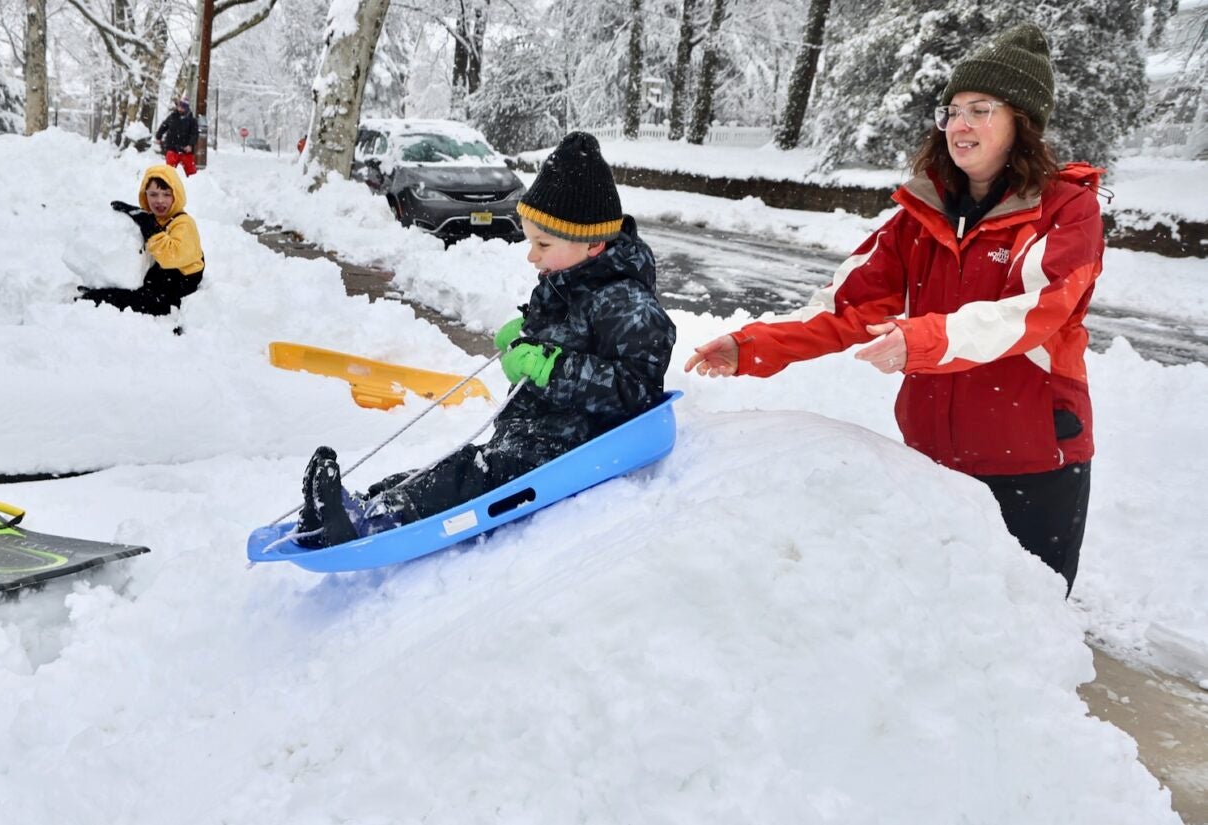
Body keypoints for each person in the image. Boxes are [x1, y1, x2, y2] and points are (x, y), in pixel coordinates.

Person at [682, 23, 1102, 592]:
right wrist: (754, 344)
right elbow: (848, 304)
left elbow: (1031, 314)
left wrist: (922, 339)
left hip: (1032, 459)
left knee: (1029, 626)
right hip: (932, 456)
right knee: (937, 617)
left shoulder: (1066, 211)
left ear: (1021, 123)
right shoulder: (920, 215)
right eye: (951, 110)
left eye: (980, 110)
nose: (959, 124)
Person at [294, 132, 676, 548]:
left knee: (474, 477)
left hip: (576, 443)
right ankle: (362, 505)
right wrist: (526, 337)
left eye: (543, 244)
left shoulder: (629, 304)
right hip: (536, 429)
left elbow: (638, 390)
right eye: (531, 242)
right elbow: (562, 337)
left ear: (593, 244)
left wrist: (551, 368)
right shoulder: (565, 278)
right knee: (461, 465)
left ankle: (375, 522)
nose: (532, 256)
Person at [80, 164, 205, 321]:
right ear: (144, 195)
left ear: (176, 195)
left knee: (138, 301)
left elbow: (170, 256)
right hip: (163, 277)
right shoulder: (157, 218)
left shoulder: (184, 223)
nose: (159, 200)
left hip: (179, 286)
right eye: (153, 194)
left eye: (166, 194)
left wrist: (149, 226)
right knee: (134, 288)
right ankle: (102, 291)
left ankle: (99, 299)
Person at [154, 98, 198, 177]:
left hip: (185, 150)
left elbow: (194, 134)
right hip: (172, 147)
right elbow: (164, 126)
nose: (180, 109)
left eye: (183, 107)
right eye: (179, 106)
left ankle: (191, 185)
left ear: (187, 108)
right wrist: (158, 136)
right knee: (169, 171)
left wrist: (190, 145)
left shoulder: (192, 120)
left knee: (191, 173)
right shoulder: (172, 117)